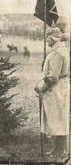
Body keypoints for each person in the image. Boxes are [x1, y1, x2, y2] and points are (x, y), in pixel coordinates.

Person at [34, 27, 70, 158]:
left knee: (57, 120)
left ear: (51, 38)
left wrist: (39, 87)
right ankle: (60, 149)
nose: (46, 41)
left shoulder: (57, 53)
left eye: (47, 38)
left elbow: (52, 77)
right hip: (62, 87)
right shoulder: (63, 50)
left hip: (56, 90)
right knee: (60, 119)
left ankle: (60, 150)